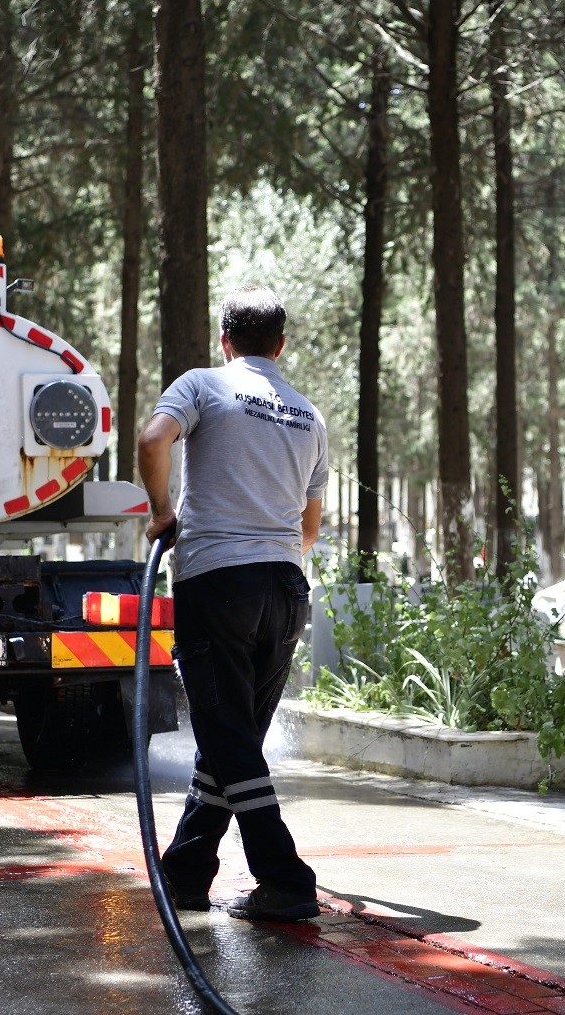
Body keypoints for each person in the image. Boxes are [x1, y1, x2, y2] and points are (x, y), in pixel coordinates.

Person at [137, 285, 326, 922]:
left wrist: (164, 513)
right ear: (280, 345)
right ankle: (187, 871)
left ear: (225, 340)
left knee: (232, 738)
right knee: (232, 736)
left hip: (217, 582)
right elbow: (310, 526)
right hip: (285, 588)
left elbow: (152, 441)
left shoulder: (200, 386)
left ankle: (287, 879)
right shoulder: (309, 416)